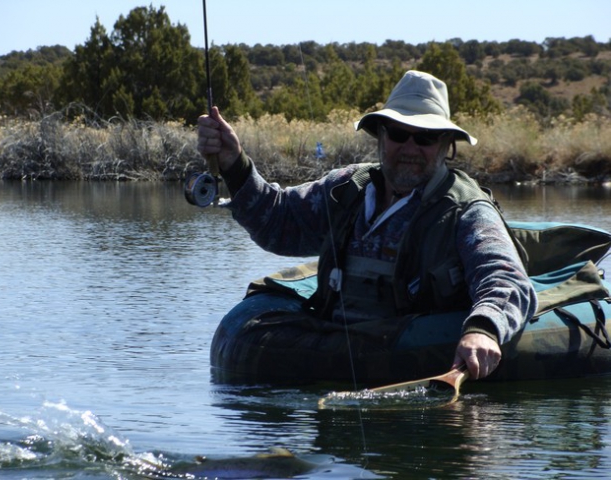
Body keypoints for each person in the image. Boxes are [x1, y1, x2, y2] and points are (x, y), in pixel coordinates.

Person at [197, 70, 537, 380]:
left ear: (447, 147)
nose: (409, 148)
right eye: (400, 134)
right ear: (381, 136)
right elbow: (278, 221)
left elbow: (504, 277)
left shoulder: (466, 211)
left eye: (425, 138)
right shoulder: (346, 189)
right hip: (334, 347)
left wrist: (482, 328)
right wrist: (234, 164)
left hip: (414, 358)